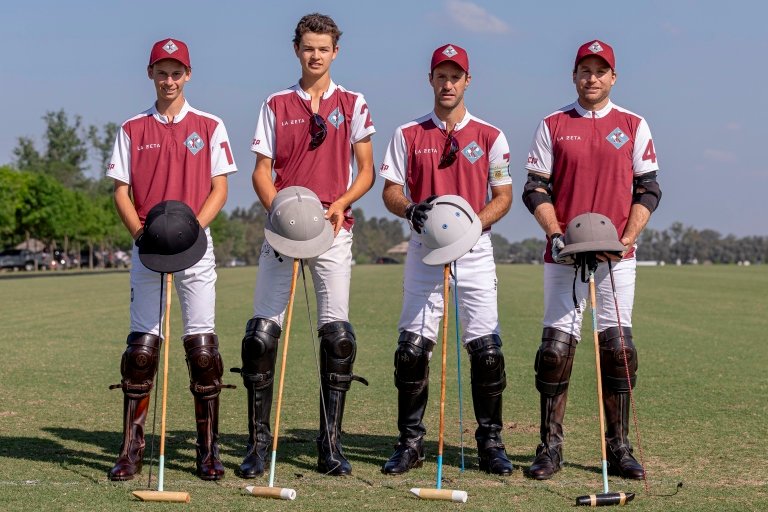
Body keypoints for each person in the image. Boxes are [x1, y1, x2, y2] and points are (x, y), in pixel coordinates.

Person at [235, 13, 375, 478]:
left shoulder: (354, 103)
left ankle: (329, 445)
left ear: (336, 52)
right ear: (296, 49)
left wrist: (341, 204)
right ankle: (258, 445)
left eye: (324, 48)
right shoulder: (275, 104)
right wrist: (281, 211)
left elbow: (366, 171)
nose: (315, 55)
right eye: (308, 47)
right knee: (260, 336)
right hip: (282, 231)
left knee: (337, 338)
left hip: (334, 231)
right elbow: (260, 169)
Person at [522, 39, 661, 480]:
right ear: (574, 75)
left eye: (600, 71)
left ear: (613, 77)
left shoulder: (634, 124)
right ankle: (550, 447)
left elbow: (649, 189)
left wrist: (626, 238)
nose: (592, 77)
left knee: (619, 350)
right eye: (585, 69)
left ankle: (618, 447)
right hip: (564, 255)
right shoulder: (553, 124)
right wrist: (556, 233)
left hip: (617, 258)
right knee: (555, 351)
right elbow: (535, 188)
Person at [379, 43, 514, 475]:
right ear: (431, 80)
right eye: (441, 75)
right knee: (412, 350)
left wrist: (473, 226)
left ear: (467, 81)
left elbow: (503, 197)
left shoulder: (491, 135)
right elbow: (391, 191)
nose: (448, 83)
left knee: (487, 350)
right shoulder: (407, 134)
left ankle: (490, 443)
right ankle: (410, 443)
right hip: (425, 251)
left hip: (475, 252)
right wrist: (409, 209)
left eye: (456, 76)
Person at [106, 38, 237, 481]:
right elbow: (121, 190)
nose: (169, 80)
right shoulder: (131, 128)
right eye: (162, 72)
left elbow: (220, 187)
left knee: (202, 350)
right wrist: (142, 233)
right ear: (150, 75)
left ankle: (207, 449)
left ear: (188, 75)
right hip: (147, 248)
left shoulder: (210, 125)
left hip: (196, 247)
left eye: (176, 72)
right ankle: (131, 448)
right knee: (141, 350)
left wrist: (193, 229)